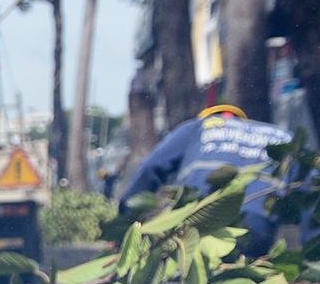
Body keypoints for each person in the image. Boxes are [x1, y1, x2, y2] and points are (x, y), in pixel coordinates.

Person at [120, 104, 294, 256]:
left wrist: (125, 220)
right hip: (256, 226)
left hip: (201, 220)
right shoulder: (283, 136)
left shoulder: (198, 127)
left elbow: (151, 167)